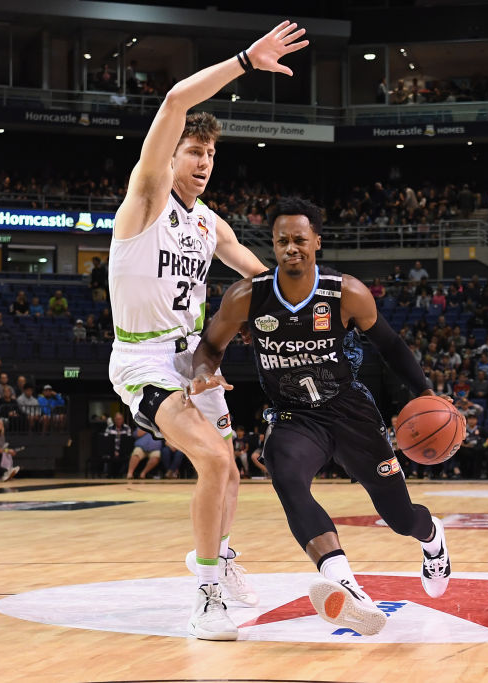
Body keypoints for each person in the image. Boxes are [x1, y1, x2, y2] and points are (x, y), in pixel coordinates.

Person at [107, 20, 307, 640]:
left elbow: (256, 274)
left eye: (211, 155)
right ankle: (205, 596)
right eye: (194, 153)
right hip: (142, 361)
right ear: (168, 158)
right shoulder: (144, 201)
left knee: (230, 472)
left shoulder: (208, 224)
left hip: (196, 363)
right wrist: (247, 60)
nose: (204, 163)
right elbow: (174, 102)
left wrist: (313, 296)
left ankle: (221, 559)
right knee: (216, 460)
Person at [189, 197, 451, 636]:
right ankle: (345, 584)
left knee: (400, 518)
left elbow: (390, 346)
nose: (292, 248)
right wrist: (201, 372)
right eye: (282, 241)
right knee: (286, 474)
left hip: (350, 411)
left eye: (300, 240)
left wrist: (426, 392)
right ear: (273, 245)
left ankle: (433, 539)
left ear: (317, 243)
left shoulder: (346, 291)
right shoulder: (246, 297)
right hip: (294, 416)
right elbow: (211, 346)